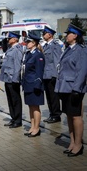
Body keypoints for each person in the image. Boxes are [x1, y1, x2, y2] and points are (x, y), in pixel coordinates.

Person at [55, 24, 87, 157]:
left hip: (74, 88)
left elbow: (82, 71)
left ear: (75, 36)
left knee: (76, 116)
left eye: (68, 33)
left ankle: (79, 145)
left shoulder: (81, 50)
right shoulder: (68, 49)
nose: (66, 35)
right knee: (69, 115)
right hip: (64, 87)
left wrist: (76, 89)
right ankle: (72, 142)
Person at [22, 34, 45, 137]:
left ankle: (37, 128)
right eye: (27, 42)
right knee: (31, 107)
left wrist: (38, 84)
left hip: (34, 85)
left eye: (29, 42)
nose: (27, 43)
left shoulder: (38, 55)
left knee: (35, 107)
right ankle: (32, 127)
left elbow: (39, 71)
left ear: (34, 43)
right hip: (27, 84)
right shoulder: (28, 54)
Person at [0, 32, 24, 128]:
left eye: (9, 38)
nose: (8, 40)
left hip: (13, 79)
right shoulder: (11, 49)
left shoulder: (17, 50)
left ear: (15, 39)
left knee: (15, 100)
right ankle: (13, 118)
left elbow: (17, 66)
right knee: (10, 100)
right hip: (7, 78)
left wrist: (15, 79)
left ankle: (18, 120)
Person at [42, 26, 62, 123]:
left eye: (44, 33)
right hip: (45, 75)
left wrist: (55, 75)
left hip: (51, 75)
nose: (43, 35)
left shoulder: (55, 45)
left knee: (53, 96)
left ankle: (56, 115)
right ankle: (52, 114)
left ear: (50, 35)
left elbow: (57, 62)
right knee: (49, 96)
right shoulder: (45, 46)